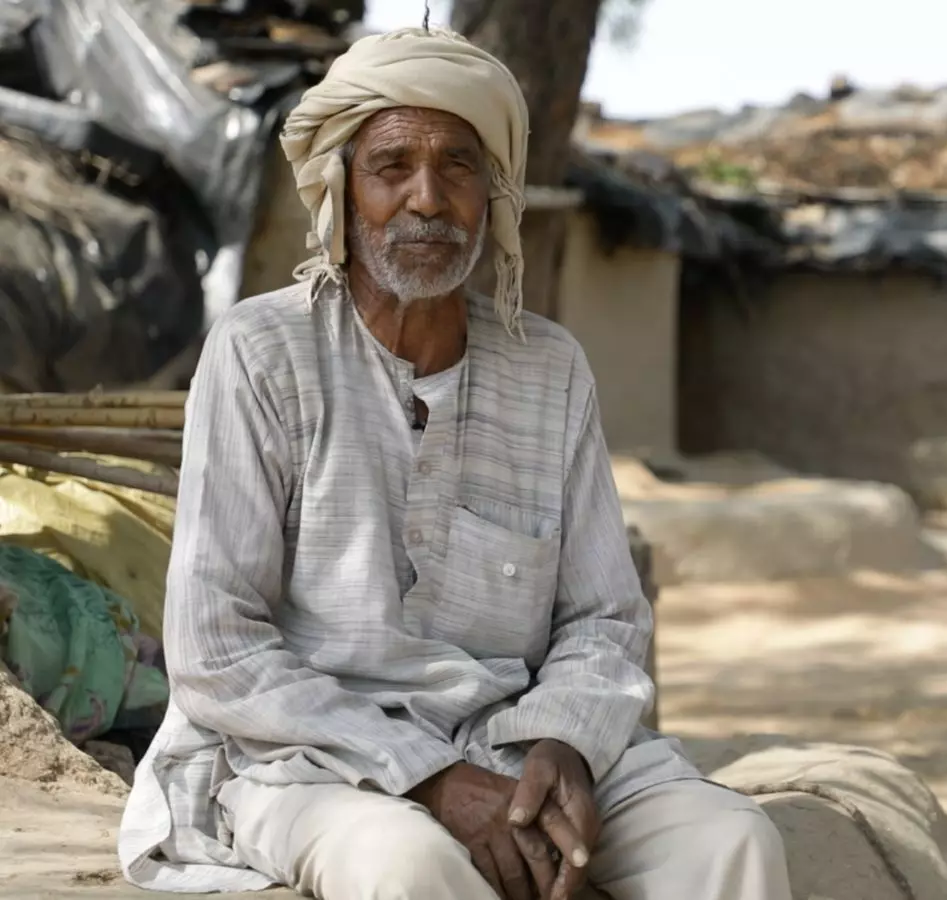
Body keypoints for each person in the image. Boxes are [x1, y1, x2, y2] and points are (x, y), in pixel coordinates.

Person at [116, 27, 793, 900]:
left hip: (520, 751)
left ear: (494, 193)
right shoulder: (262, 352)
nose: (427, 199)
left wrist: (565, 744)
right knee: (409, 866)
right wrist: (431, 777)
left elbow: (604, 619)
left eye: (459, 167)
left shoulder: (549, 368)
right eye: (392, 166)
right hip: (311, 761)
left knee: (730, 842)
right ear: (342, 190)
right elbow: (218, 647)